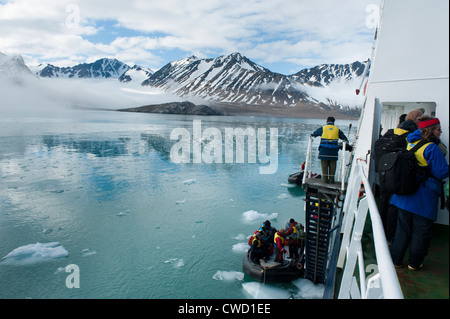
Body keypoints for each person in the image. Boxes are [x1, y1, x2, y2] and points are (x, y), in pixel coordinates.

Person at [390, 117, 449, 271]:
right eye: (438, 129)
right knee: (421, 231)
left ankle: (396, 260)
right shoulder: (432, 148)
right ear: (430, 130)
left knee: (402, 229)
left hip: (405, 194)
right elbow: (442, 173)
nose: (440, 132)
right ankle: (414, 264)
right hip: (423, 197)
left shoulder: (410, 143)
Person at [378, 110, 422, 243]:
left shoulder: (389, 134)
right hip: (396, 177)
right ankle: (391, 237)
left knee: (383, 203)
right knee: (394, 208)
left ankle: (381, 233)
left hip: (383, 174)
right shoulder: (409, 138)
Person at [311, 116, 349, 183]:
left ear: (327, 121)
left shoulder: (323, 128)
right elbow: (344, 138)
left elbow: (314, 134)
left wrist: (312, 136)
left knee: (324, 166)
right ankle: (331, 180)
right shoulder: (337, 129)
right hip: (333, 152)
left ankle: (325, 180)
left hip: (323, 151)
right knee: (332, 167)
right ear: (334, 122)